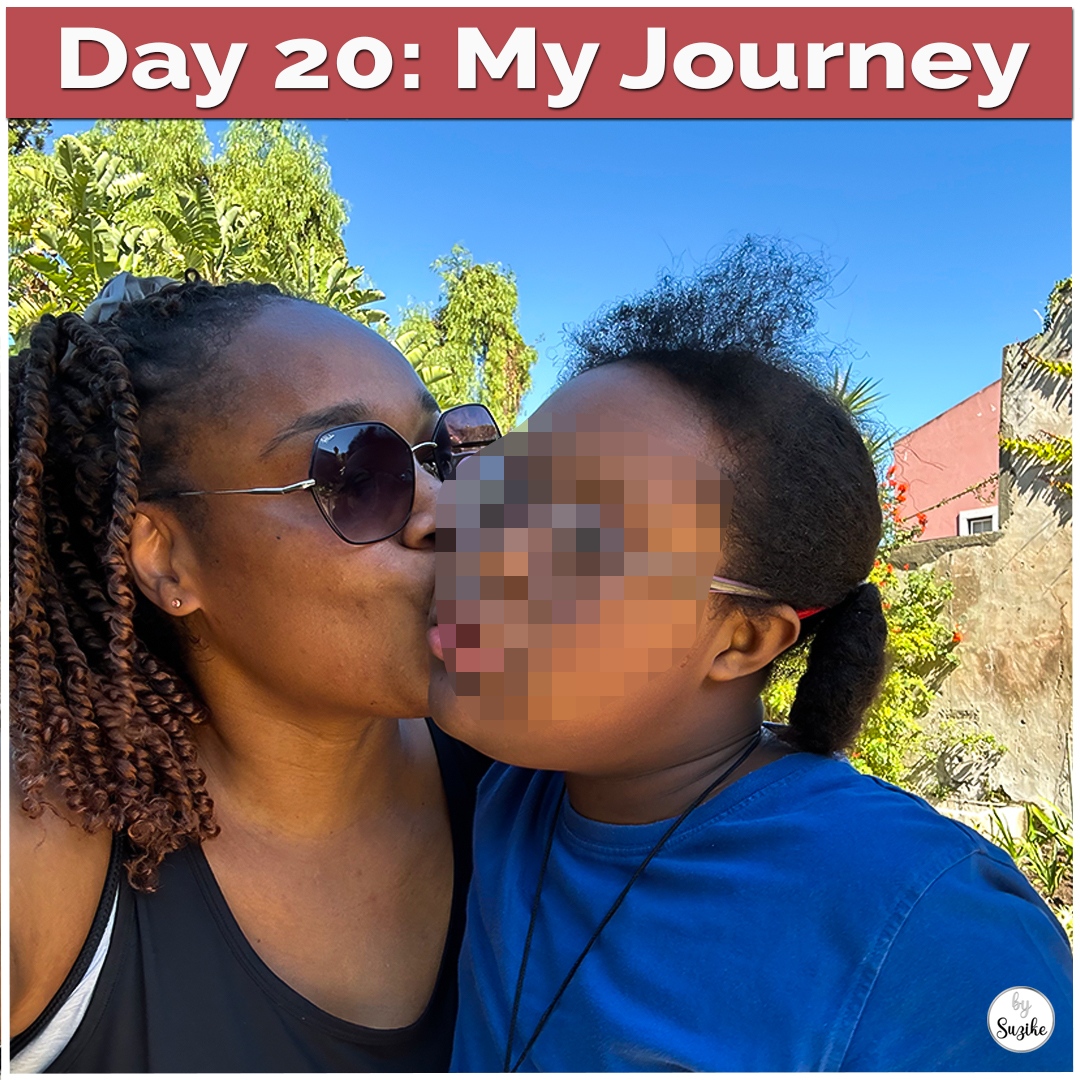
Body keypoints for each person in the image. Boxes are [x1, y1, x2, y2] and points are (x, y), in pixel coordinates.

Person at [428, 251, 1073, 1071]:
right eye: (496, 484)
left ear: (742, 639)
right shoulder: (506, 784)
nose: (461, 532)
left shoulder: (928, 929)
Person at [9, 272, 498, 1071]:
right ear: (166, 559)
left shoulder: (524, 773)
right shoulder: (47, 846)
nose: (447, 511)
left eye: (441, 455)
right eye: (360, 475)